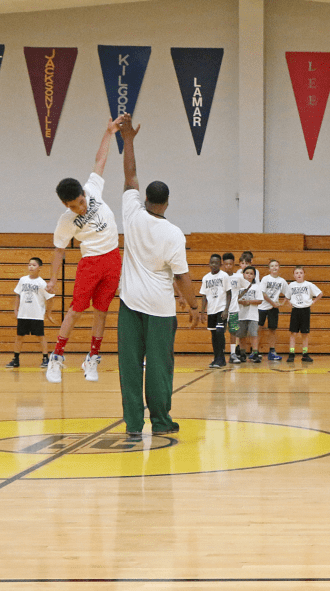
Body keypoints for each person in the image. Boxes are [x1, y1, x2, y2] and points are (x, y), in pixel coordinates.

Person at [115, 114, 199, 439]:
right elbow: (182, 278)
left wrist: (129, 139)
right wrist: (193, 307)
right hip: (161, 310)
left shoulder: (131, 213)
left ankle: (134, 426)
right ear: (166, 203)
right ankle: (161, 422)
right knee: (160, 368)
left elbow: (130, 175)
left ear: (146, 199)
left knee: (130, 368)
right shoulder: (174, 233)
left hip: (130, 304)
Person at [47, 116, 126, 384]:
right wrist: (54, 278)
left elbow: (100, 160)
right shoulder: (66, 221)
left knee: (102, 311)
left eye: (80, 202)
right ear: (65, 205)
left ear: (83, 193)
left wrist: (109, 132)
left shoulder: (92, 189)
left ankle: (92, 359)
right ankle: (56, 358)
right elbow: (59, 250)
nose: (79, 208)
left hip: (113, 258)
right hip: (91, 262)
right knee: (76, 310)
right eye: (72, 206)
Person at [5, 257, 56, 370]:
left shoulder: (42, 283)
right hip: (23, 314)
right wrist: (15, 309)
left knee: (41, 336)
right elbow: (18, 294)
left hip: (36, 315)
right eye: (29, 265)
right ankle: (16, 359)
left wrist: (48, 314)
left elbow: (50, 299)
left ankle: (45, 358)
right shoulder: (23, 280)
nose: (31, 267)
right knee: (19, 337)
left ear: (40, 268)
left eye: (34, 265)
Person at [199, 254, 230, 369]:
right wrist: (202, 312)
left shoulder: (224, 276)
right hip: (211, 310)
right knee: (213, 334)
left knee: (219, 333)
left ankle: (221, 358)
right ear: (209, 264)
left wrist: (226, 309)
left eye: (217, 263)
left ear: (220, 264)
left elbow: (229, 293)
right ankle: (216, 357)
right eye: (212, 262)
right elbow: (204, 296)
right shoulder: (206, 278)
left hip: (221, 309)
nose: (214, 265)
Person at [286, 267, 323, 363]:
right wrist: (289, 302)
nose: (299, 274)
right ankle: (291, 353)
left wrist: (313, 301)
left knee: (305, 333)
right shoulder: (291, 285)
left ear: (304, 274)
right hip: (295, 310)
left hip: (305, 310)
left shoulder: (308, 285)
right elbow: (287, 296)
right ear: (294, 275)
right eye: (296, 273)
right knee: (293, 333)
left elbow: (320, 293)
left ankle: (305, 354)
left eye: (301, 273)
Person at [230, 266, 263, 362]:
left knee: (253, 334)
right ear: (243, 274)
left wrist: (249, 302)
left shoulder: (256, 287)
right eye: (247, 273)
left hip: (253, 315)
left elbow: (260, 300)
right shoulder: (238, 287)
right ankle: (242, 353)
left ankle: (255, 353)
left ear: (254, 276)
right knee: (241, 335)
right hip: (241, 314)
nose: (249, 275)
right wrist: (240, 302)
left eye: (251, 273)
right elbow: (234, 299)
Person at [258, 260, 288, 362]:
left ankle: (272, 351)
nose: (274, 267)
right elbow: (263, 294)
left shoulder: (282, 281)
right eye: (272, 266)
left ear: (279, 268)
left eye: (276, 266)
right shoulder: (265, 279)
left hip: (273, 309)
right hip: (262, 307)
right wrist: (273, 303)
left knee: (272, 330)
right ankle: (255, 351)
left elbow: (288, 294)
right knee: (258, 328)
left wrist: (282, 303)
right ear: (269, 268)